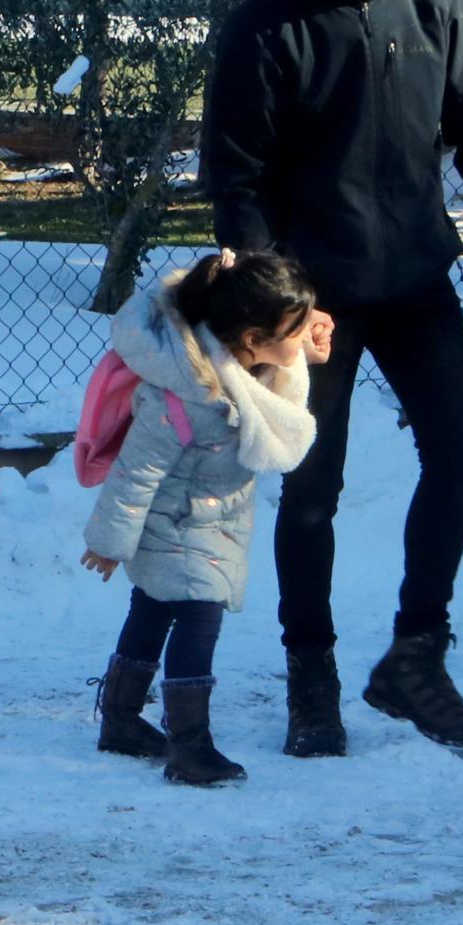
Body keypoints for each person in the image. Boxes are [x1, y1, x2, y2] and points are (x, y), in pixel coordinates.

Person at [202, 0, 463, 757]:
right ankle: (311, 678)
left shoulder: (435, 3)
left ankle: (415, 658)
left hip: (417, 282)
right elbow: (236, 180)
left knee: (459, 459)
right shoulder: (266, 27)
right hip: (314, 305)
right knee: (311, 493)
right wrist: (278, 308)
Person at [81, 250, 330, 788]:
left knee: (150, 609)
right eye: (295, 330)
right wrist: (109, 541)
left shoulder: (241, 367)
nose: (304, 335)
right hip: (177, 524)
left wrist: (304, 345)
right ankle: (190, 744)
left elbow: (271, 374)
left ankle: (121, 720)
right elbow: (135, 473)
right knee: (198, 617)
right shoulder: (188, 394)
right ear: (251, 341)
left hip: (209, 523)